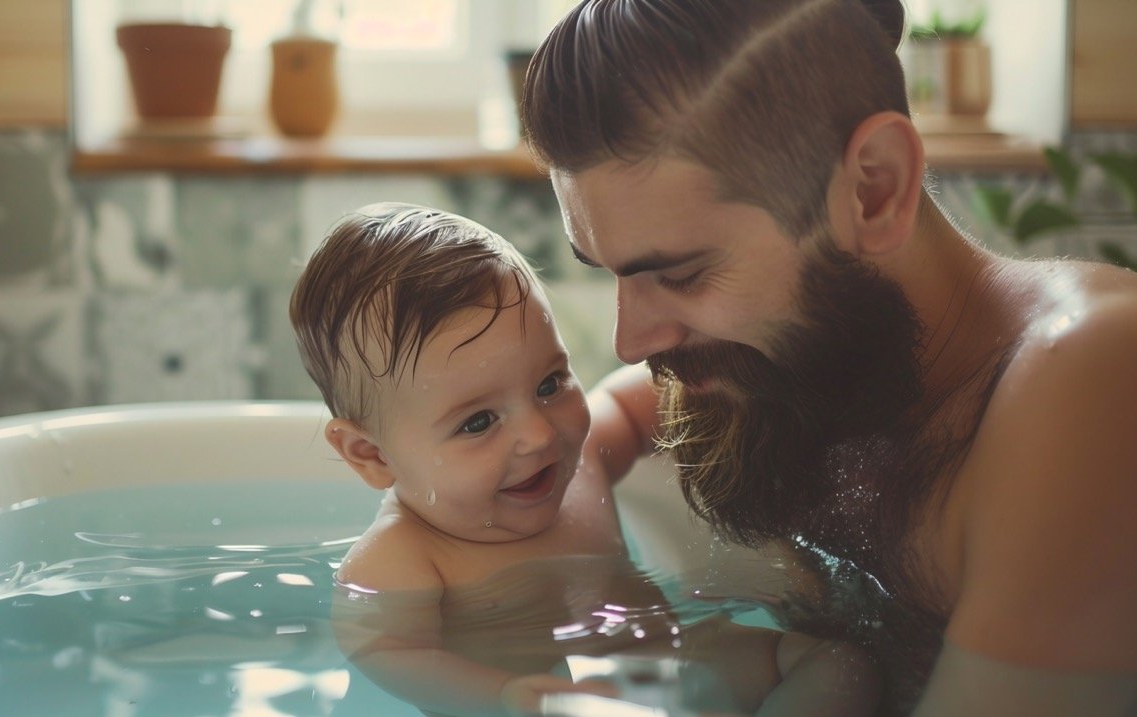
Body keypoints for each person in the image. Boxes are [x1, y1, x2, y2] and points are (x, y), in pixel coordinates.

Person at [518, 0, 1137, 715]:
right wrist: (593, 580)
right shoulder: (794, 367)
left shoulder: (1093, 374)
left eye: (682, 275)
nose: (633, 339)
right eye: (609, 270)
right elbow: (603, 421)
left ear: (874, 188)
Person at [289, 202, 881, 716]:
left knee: (840, 666)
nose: (538, 435)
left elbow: (639, 402)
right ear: (371, 456)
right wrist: (516, 698)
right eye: (478, 422)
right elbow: (390, 655)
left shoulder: (582, 465)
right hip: (543, 706)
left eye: (549, 383)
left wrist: (756, 379)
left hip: (665, 660)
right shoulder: (403, 560)